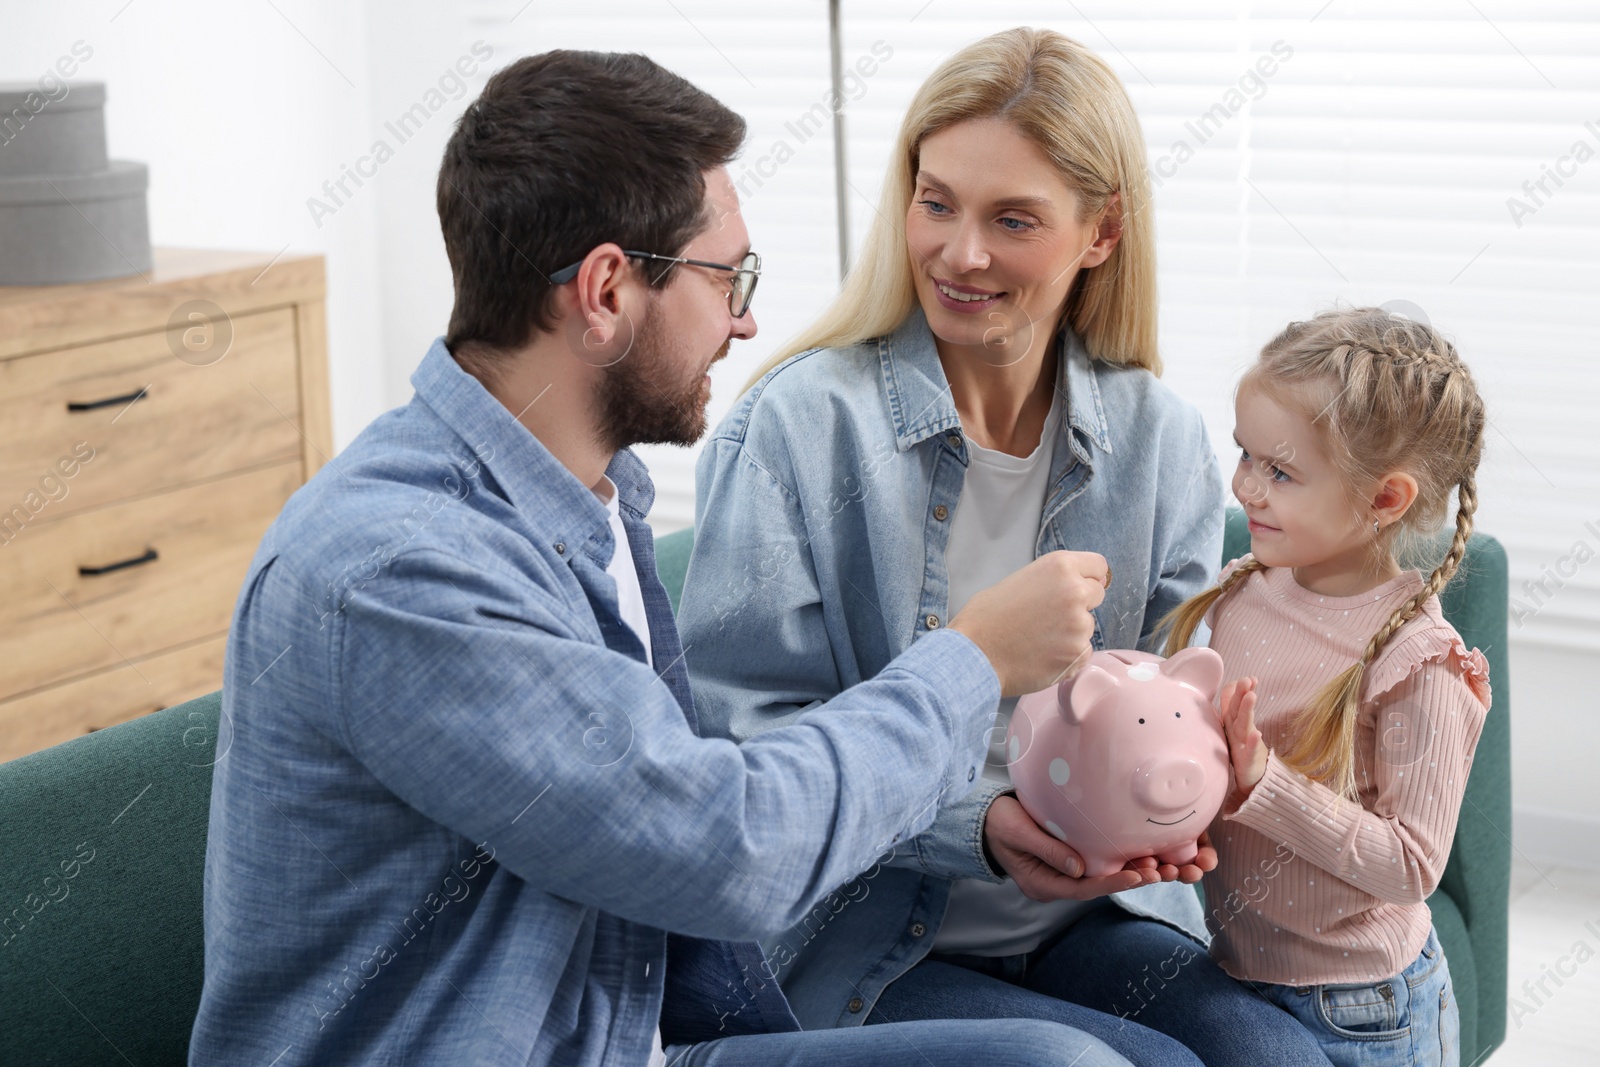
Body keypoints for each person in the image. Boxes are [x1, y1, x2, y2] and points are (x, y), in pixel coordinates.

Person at [186, 49, 1150, 1067]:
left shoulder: (587, 503)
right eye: (725, 275)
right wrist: (973, 658)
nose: (745, 318)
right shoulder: (395, 570)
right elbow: (724, 848)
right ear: (605, 290)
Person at [679, 26, 1337, 1067]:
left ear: (1101, 233)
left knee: (1283, 1058)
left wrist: (1198, 784)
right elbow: (747, 750)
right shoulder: (800, 427)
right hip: (860, 940)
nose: (960, 251)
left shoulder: (1158, 439)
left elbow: (1172, 688)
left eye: (1012, 218)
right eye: (935, 201)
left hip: (1086, 922)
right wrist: (977, 825)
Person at [1163, 307, 1490, 1067]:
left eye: (1280, 471)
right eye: (1245, 453)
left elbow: (1411, 864)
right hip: (1240, 968)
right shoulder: (1245, 587)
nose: (1246, 485)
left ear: (1385, 500)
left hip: (1364, 1010)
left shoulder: (1418, 660)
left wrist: (1263, 785)